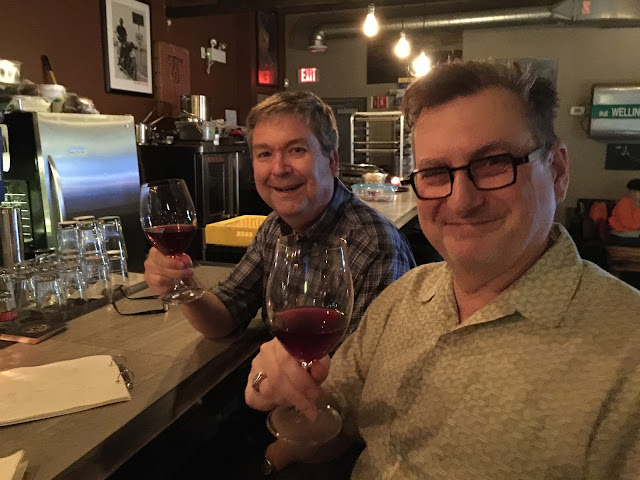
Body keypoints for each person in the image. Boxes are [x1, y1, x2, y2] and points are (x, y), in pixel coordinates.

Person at [246, 60, 640, 479]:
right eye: (435, 172)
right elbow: (336, 434)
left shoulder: (627, 357)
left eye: (493, 164)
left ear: (557, 171)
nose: (461, 201)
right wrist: (285, 397)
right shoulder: (403, 297)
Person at [144, 90, 415, 341]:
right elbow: (227, 313)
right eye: (264, 153)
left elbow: (368, 379)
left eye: (297, 150)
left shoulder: (377, 247)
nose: (279, 168)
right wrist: (186, 285)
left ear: (331, 161)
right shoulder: (275, 228)